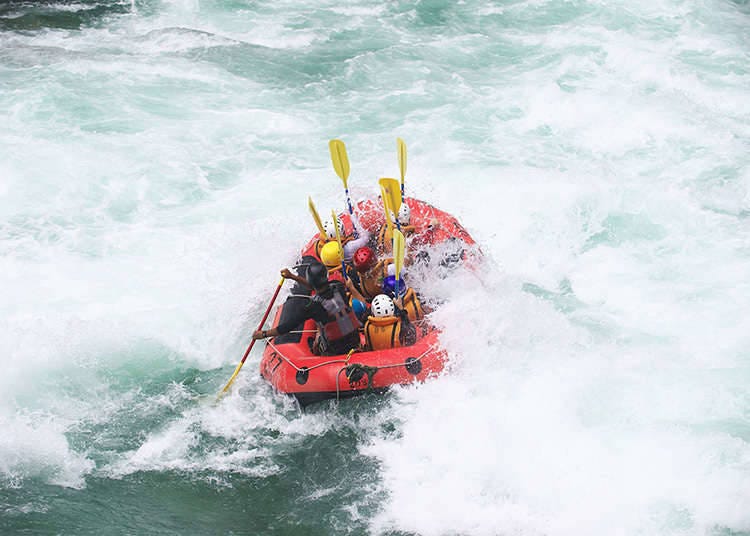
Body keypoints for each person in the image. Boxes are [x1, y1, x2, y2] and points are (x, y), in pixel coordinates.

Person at [253, 263, 361, 356]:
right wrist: (292, 277)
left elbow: (286, 327)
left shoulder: (312, 306)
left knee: (317, 339)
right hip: (355, 340)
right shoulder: (339, 286)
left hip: (335, 351)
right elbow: (315, 286)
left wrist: (264, 334)